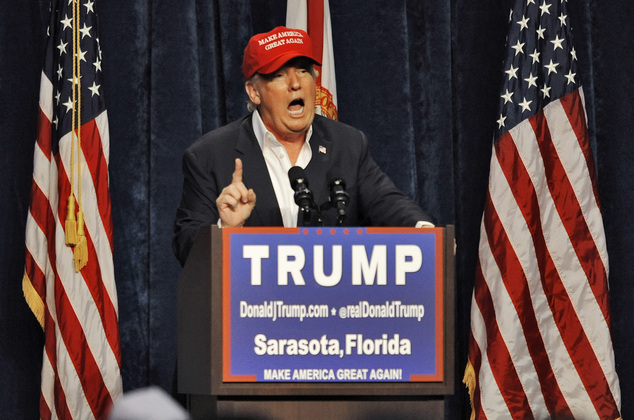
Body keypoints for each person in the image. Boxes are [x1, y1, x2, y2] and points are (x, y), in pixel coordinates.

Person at [173, 26, 433, 266]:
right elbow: (185, 245)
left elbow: (386, 202)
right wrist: (226, 230)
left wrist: (425, 233)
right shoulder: (210, 155)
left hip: (332, 308)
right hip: (254, 309)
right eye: (279, 75)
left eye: (303, 71)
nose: (295, 83)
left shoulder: (348, 144)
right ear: (254, 93)